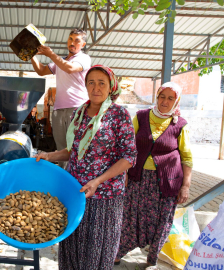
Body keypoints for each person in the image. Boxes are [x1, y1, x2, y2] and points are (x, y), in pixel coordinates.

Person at [35, 65, 137, 270]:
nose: (96, 88)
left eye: (102, 83)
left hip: (104, 196)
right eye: (91, 82)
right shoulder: (78, 113)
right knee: (72, 246)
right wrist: (50, 156)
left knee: (95, 250)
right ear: (85, 85)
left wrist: (98, 181)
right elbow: (74, 150)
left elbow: (129, 157)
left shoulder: (119, 114)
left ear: (111, 87)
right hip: (75, 191)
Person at [115, 82, 192, 269]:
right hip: (138, 178)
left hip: (167, 182)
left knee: (162, 219)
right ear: (156, 97)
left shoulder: (180, 124)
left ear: (177, 101)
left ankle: (152, 258)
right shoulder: (141, 117)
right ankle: (119, 251)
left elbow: (187, 157)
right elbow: (127, 145)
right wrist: (123, 173)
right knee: (130, 216)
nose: (165, 102)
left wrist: (186, 186)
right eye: (162, 97)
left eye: (170, 98)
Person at [31, 29, 91, 169]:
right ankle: (64, 183)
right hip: (58, 110)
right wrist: (31, 54)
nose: (72, 43)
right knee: (61, 149)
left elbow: (69, 68)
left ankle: (77, 181)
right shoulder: (61, 61)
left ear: (83, 44)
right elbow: (41, 71)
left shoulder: (83, 58)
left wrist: (50, 54)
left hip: (77, 109)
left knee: (76, 147)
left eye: (77, 40)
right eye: (70, 39)